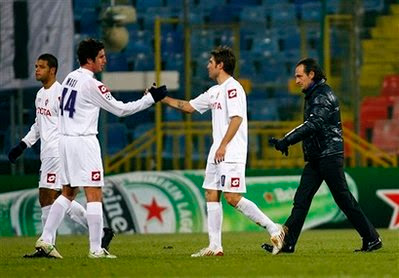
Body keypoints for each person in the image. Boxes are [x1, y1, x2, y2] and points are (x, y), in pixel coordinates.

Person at [34, 38, 166, 259]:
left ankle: (46, 239)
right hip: (83, 142)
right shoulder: (92, 84)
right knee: (94, 194)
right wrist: (149, 99)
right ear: (89, 59)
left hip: (64, 141)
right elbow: (120, 110)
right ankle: (96, 249)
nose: (105, 60)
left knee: (67, 192)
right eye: (101, 57)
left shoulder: (69, 79)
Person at [161, 46, 285, 257]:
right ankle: (215, 246)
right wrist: (162, 98)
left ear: (220, 65)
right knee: (211, 194)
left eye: (211, 62)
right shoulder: (214, 91)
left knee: (232, 197)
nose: (207, 65)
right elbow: (189, 107)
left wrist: (223, 145)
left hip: (230, 151)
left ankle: (274, 228)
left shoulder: (233, 88)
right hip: (218, 151)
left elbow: (237, 119)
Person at [263, 58, 382, 253]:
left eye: (299, 76)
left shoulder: (322, 96)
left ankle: (372, 238)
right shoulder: (315, 94)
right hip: (319, 156)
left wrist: (287, 140)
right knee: (302, 200)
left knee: (343, 199)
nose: (296, 81)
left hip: (328, 155)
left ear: (311, 74)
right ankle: (288, 243)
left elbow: (313, 124)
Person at [8, 53, 113, 258]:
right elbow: (39, 125)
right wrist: (23, 145)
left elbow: (69, 121)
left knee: (48, 196)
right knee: (57, 196)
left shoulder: (61, 94)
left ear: (53, 70)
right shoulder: (40, 95)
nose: (37, 70)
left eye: (42, 67)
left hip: (58, 151)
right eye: (36, 66)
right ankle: (100, 232)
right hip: (46, 153)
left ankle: (47, 245)